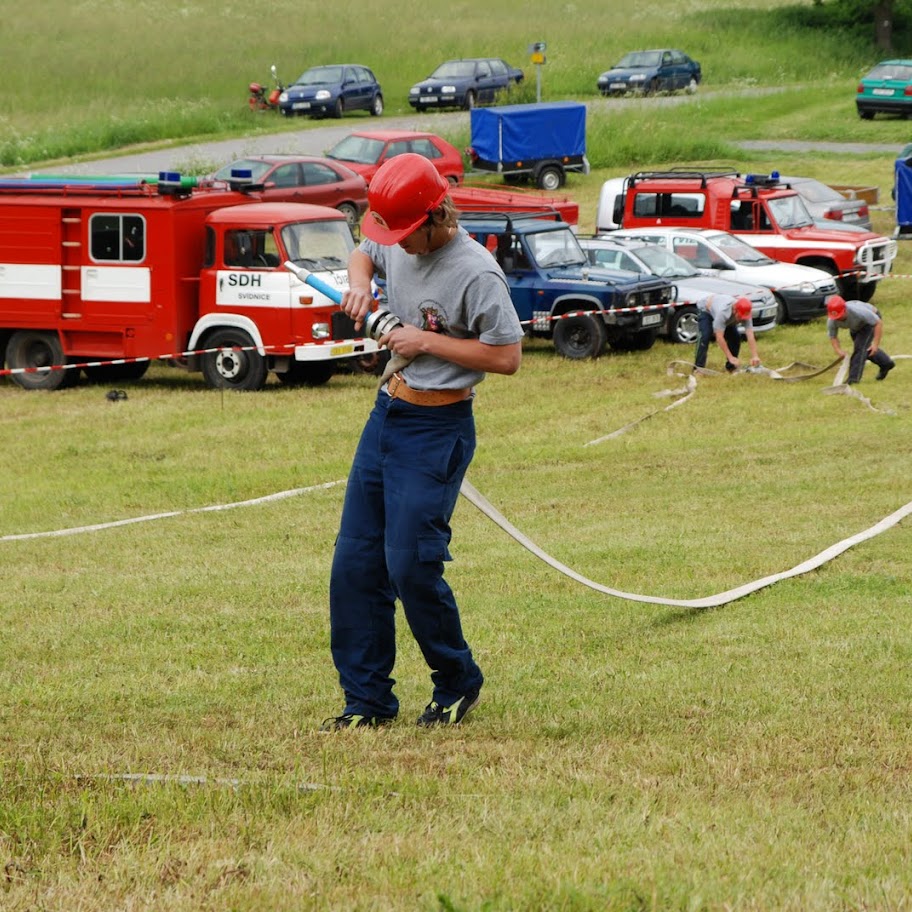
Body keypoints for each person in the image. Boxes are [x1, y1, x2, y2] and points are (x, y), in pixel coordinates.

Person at [322, 153, 524, 731]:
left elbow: (506, 356)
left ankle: (457, 680)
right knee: (355, 565)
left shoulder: (477, 274)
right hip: (386, 414)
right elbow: (367, 248)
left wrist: (426, 341)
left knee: (410, 566)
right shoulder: (393, 232)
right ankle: (366, 702)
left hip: (438, 430)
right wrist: (360, 285)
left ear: (437, 216)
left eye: (408, 236)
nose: (399, 246)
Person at [825, 294, 895, 384]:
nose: (838, 319)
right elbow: (833, 336)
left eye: (840, 316)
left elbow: (878, 323)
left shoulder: (858, 311)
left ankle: (853, 380)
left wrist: (875, 344)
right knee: (864, 349)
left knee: (860, 348)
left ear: (845, 309)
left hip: (870, 321)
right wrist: (838, 350)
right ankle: (886, 363)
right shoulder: (831, 320)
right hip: (855, 327)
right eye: (836, 317)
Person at [693, 294, 761, 372]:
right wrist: (730, 357)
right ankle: (698, 369)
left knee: (735, 337)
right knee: (705, 336)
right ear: (735, 310)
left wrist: (755, 356)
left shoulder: (745, 313)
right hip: (706, 310)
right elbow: (719, 337)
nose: (741, 320)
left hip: (726, 315)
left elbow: (750, 335)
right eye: (740, 317)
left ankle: (731, 367)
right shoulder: (723, 312)